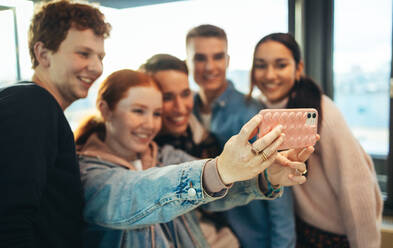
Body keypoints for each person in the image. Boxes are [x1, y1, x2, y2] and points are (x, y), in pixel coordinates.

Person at [74, 69, 313, 247]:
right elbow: (132, 194)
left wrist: (266, 177)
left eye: (156, 113)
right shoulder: (87, 171)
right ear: (105, 110)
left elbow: (213, 194)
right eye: (138, 111)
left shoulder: (164, 155)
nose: (149, 124)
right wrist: (219, 169)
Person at [248, 32, 383, 248]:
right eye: (261, 65)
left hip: (337, 234)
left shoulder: (321, 111)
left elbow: (356, 185)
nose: (269, 75)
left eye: (281, 65)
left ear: (298, 68)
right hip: (300, 229)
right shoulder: (260, 111)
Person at [0, 1, 111, 247]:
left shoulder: (33, 105)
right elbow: (9, 223)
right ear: (43, 54)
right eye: (83, 54)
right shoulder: (31, 104)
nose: (96, 67)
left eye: (100, 56)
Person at [186, 24, 296, 247]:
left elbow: (280, 197)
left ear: (227, 61)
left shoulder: (251, 114)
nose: (209, 67)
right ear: (187, 61)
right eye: (199, 58)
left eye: (217, 57)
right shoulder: (186, 111)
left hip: (254, 239)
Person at [141, 54, 238, 247]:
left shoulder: (205, 139)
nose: (180, 107)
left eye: (185, 94)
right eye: (167, 97)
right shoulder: (142, 154)